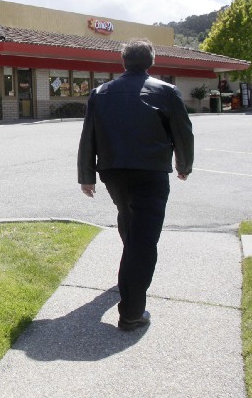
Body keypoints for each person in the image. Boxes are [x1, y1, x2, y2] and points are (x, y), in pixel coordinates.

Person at [77, 38, 194, 331]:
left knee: (130, 221)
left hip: (113, 174)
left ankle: (129, 277)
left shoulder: (100, 92)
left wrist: (86, 176)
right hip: (150, 174)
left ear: (123, 61)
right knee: (143, 241)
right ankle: (131, 313)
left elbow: (88, 135)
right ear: (151, 61)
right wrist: (184, 165)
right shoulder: (166, 91)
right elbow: (183, 132)